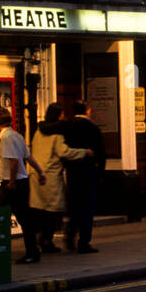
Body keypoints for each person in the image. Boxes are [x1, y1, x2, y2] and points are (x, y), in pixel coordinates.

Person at [0, 110, 46, 263]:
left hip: (12, 183)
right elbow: (28, 157)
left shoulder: (6, 138)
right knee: (25, 219)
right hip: (23, 181)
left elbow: (14, 161)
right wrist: (40, 172)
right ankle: (33, 251)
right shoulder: (17, 135)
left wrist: (11, 182)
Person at [60, 101, 104, 253]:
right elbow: (100, 152)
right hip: (88, 170)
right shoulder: (93, 128)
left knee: (74, 205)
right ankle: (84, 242)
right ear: (87, 110)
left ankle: (70, 236)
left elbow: (62, 148)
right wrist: (100, 173)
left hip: (72, 171)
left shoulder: (66, 127)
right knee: (87, 208)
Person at [29, 103, 73, 253]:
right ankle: (46, 240)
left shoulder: (38, 131)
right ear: (58, 115)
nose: (63, 117)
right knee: (52, 211)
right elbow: (64, 152)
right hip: (51, 177)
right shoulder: (57, 134)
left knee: (39, 210)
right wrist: (83, 152)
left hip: (37, 174)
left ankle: (38, 239)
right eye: (62, 114)